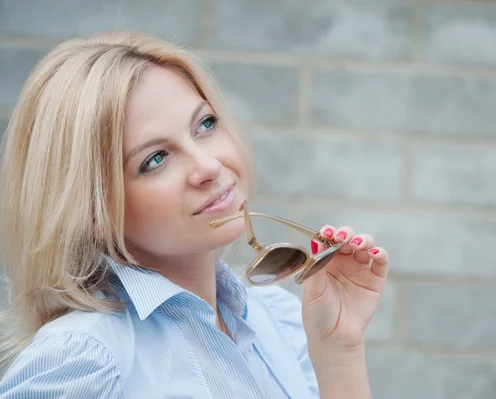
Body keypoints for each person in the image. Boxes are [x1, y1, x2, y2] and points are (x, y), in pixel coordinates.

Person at [0, 31, 389, 398]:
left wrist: (339, 351)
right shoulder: (82, 358)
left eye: (205, 124)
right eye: (155, 159)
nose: (208, 166)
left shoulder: (281, 320)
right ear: (93, 210)